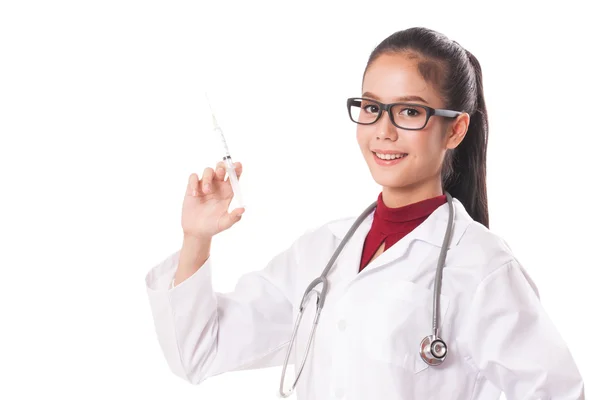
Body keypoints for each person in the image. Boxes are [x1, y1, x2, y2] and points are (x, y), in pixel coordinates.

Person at [144, 27, 584, 399]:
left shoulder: (481, 267)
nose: (384, 131)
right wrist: (196, 238)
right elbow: (199, 354)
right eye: (372, 108)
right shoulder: (323, 251)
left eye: (410, 111)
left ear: (456, 129)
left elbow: (554, 391)